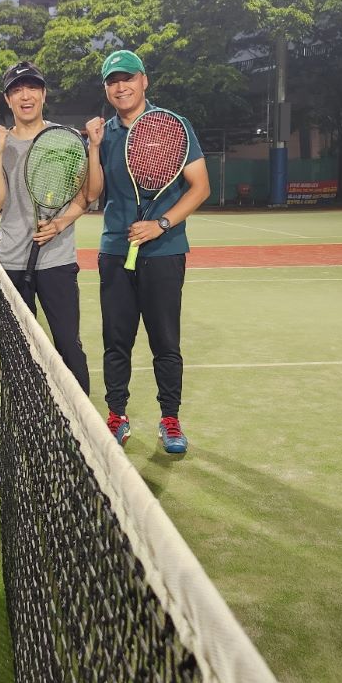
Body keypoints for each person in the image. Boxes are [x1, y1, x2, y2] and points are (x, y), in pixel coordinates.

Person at [85, 50, 210, 454]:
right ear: (106, 89)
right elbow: (93, 193)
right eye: (112, 81)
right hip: (115, 251)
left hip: (164, 251)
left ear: (144, 81)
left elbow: (200, 187)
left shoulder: (173, 126)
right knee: (116, 340)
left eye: (128, 78)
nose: (120, 86)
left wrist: (161, 225)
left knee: (165, 342)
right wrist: (93, 147)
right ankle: (116, 415)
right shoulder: (104, 133)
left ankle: (170, 419)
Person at [0, 60, 90, 393]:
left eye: (31, 88)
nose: (25, 96)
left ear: (43, 94)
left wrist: (60, 223)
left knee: (68, 344)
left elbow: (83, 196)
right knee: (16, 348)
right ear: (7, 99)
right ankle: (23, 413)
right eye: (17, 90)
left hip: (57, 260)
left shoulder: (67, 140)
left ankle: (80, 420)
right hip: (12, 261)